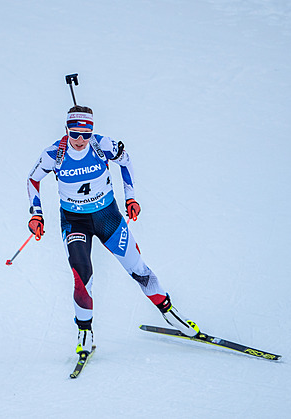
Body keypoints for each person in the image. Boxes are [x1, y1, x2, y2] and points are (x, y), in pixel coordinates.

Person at [26, 105, 199, 354]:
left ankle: (171, 314)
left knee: (137, 268)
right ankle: (84, 331)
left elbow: (125, 162)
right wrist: (36, 214)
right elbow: (32, 179)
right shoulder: (54, 154)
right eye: (75, 134)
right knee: (82, 274)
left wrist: (131, 198)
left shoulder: (103, 145)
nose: (80, 140)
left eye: (86, 135)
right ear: (66, 130)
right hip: (75, 222)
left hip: (107, 218)